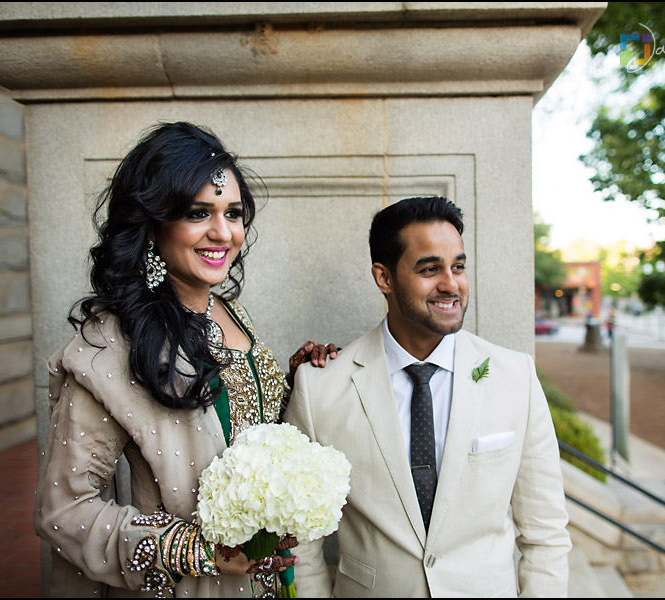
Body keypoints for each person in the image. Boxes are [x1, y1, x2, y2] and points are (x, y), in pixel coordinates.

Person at [33, 122, 337, 598]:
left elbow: (234, 434)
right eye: (199, 213)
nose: (223, 233)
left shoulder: (230, 312)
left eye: (233, 213)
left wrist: (295, 382)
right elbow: (63, 511)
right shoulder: (112, 345)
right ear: (153, 223)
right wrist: (193, 549)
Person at [284, 197, 572, 597]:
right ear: (384, 278)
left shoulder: (515, 377)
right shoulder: (320, 388)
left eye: (458, 266)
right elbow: (301, 540)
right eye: (429, 268)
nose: (451, 284)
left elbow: (546, 533)